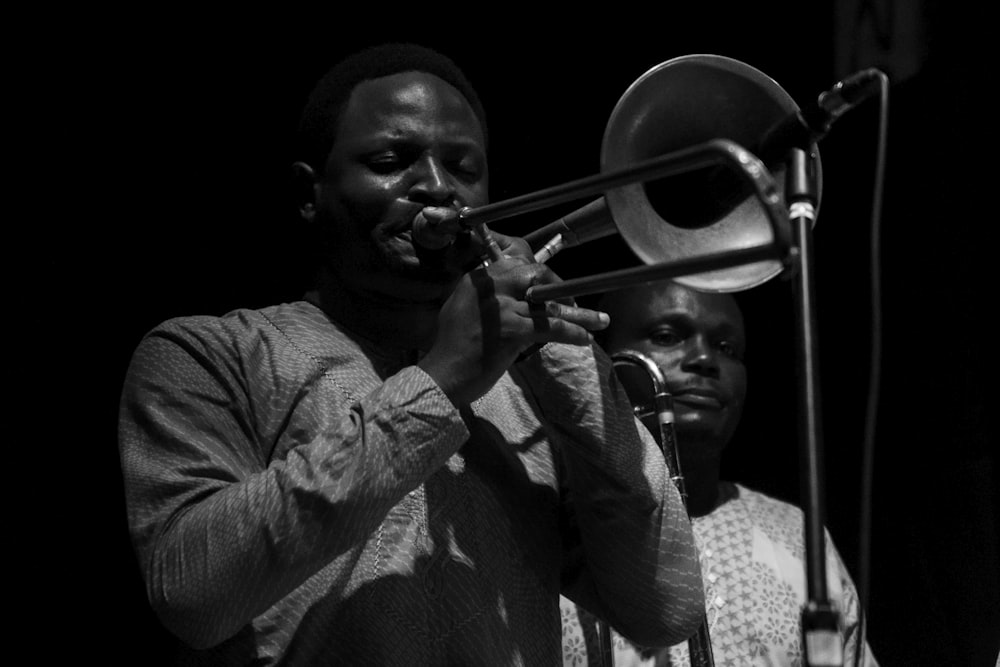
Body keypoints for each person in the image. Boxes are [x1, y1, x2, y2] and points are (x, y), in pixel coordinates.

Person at [118, 42, 705, 665]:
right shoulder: (206, 355)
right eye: (391, 160)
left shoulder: (531, 393)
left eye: (463, 166)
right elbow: (191, 594)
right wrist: (441, 380)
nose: (437, 188)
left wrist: (561, 361)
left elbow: (665, 610)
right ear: (307, 193)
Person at [560, 279, 878, 666]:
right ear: (601, 356)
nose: (704, 359)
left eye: (726, 348)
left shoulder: (797, 534)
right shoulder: (551, 525)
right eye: (666, 336)